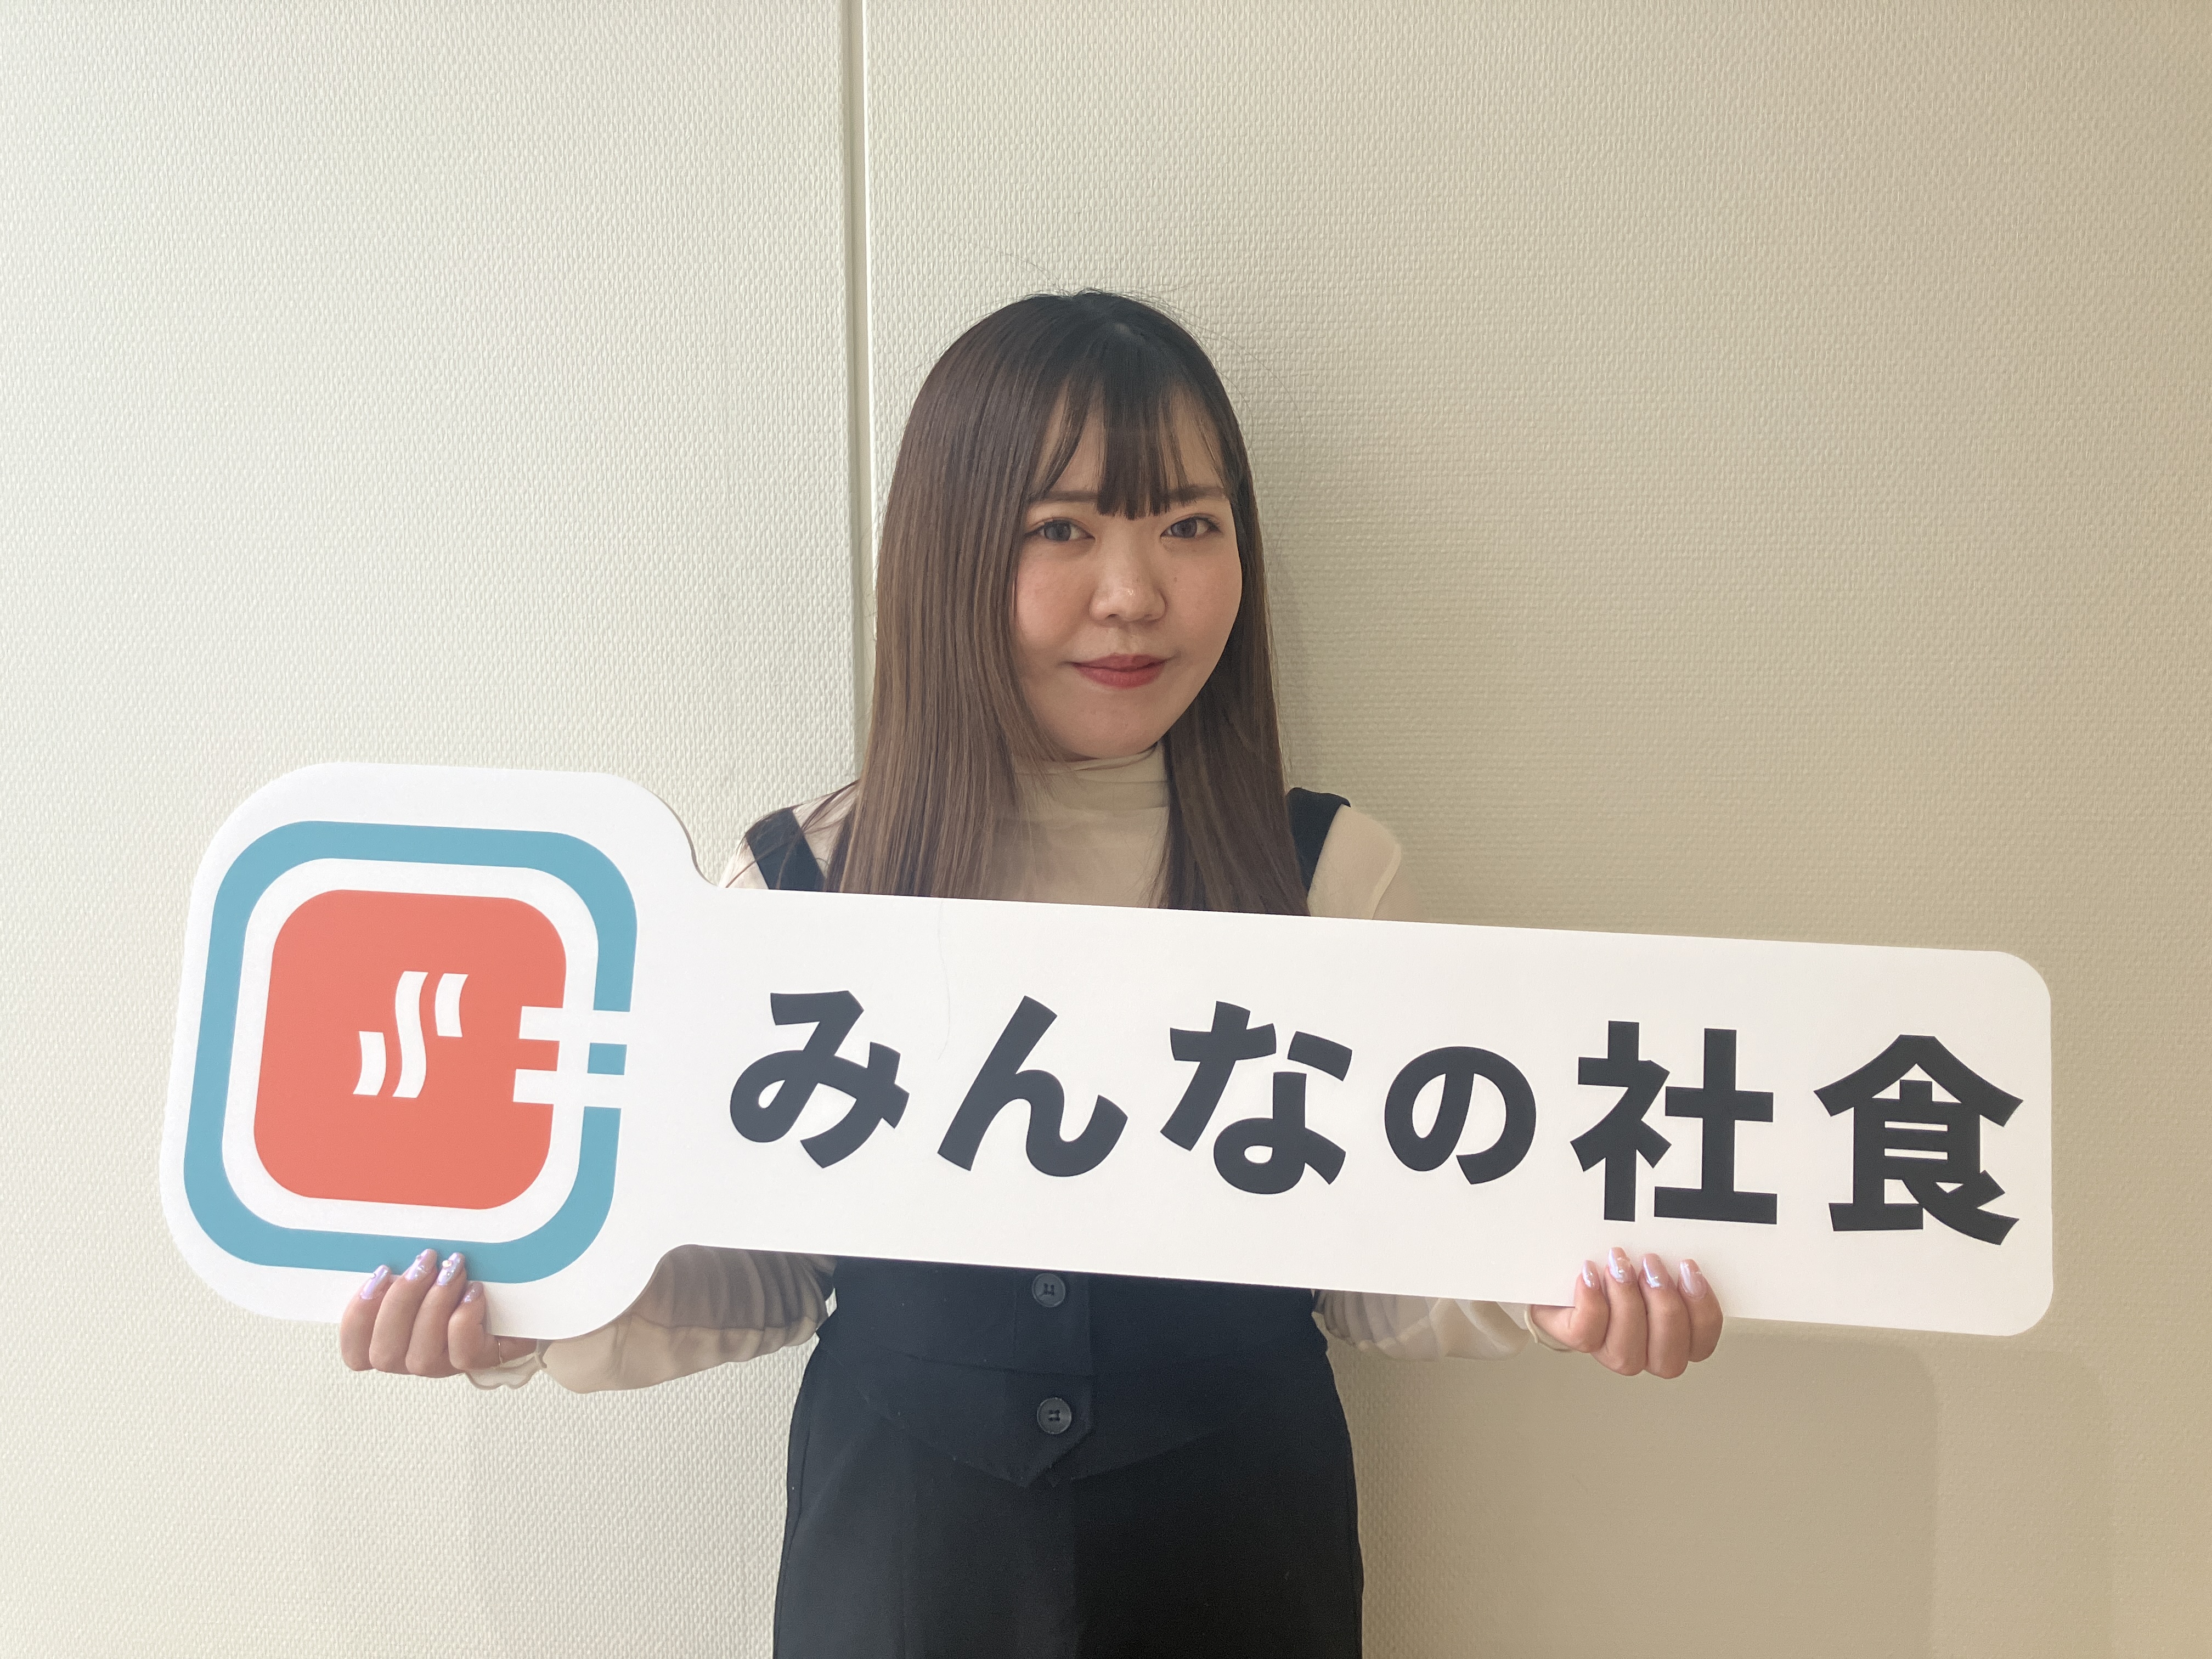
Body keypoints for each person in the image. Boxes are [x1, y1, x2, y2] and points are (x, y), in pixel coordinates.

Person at [338, 290, 1725, 1656]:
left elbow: (1373, 1264)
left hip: (1242, 1555)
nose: (1135, 595)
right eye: (1061, 529)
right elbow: (765, 1270)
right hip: (903, 1564)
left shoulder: (1330, 876)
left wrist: (1544, 1289)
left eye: (1190, 525)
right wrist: (526, 1317)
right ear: (948, 555)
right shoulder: (803, 884)